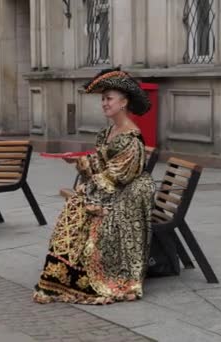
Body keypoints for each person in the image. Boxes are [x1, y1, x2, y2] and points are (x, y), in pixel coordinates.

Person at [33, 67, 156, 305]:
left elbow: (117, 176)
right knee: (75, 207)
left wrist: (86, 184)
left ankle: (76, 277)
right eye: (103, 99)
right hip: (110, 189)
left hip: (123, 195)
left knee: (80, 209)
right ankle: (59, 276)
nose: (104, 103)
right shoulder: (109, 131)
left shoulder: (131, 138)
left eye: (108, 98)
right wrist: (78, 160)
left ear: (124, 102)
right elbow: (100, 161)